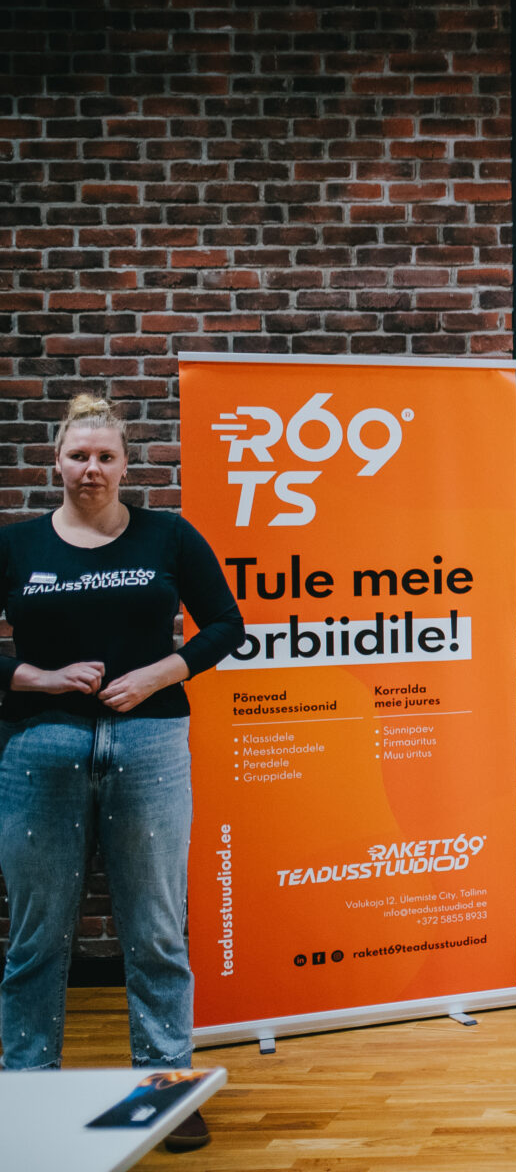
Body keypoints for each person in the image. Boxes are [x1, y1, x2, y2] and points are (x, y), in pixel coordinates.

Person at [0, 394, 242, 1152]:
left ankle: (166, 1092)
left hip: (152, 745)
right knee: (37, 937)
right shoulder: (16, 545)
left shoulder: (168, 535)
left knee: (157, 932)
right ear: (56, 463)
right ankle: (26, 1093)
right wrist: (39, 678)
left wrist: (158, 675)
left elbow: (226, 625)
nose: (92, 468)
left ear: (127, 465)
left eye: (106, 456)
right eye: (79, 455)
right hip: (40, 749)